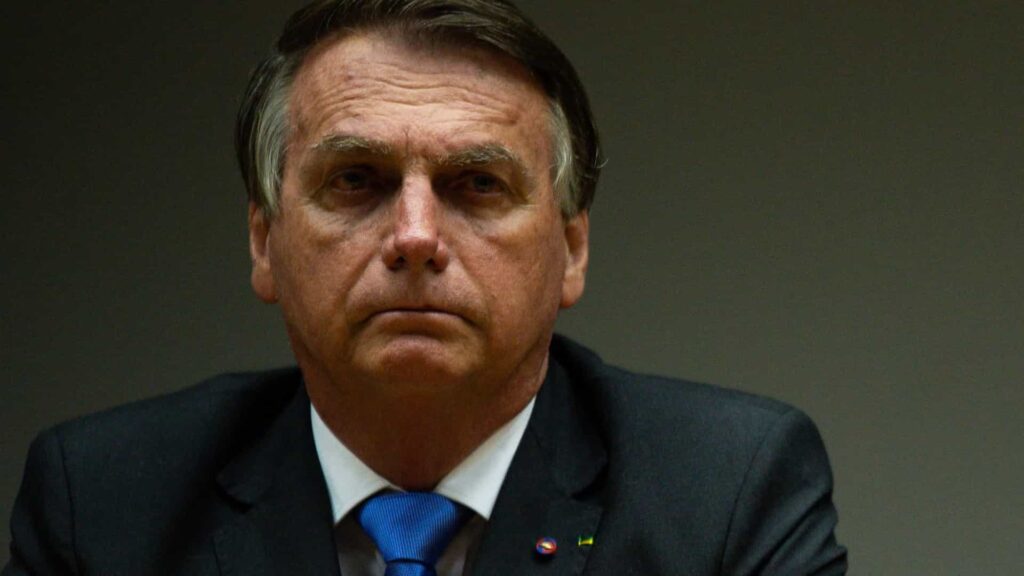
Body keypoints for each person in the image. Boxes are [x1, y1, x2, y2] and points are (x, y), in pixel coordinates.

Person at [3, 1, 847, 574]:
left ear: (572, 248)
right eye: (356, 180)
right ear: (264, 242)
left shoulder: (726, 491)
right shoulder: (103, 503)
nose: (414, 236)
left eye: (477, 185)